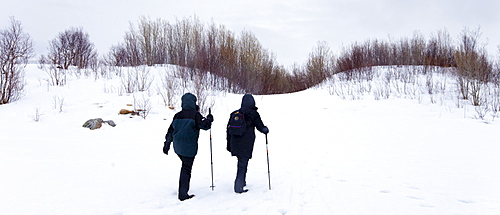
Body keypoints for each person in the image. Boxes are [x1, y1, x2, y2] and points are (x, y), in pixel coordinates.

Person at [163, 93, 213, 201]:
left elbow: (170, 131)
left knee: (185, 166)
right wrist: (209, 119)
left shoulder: (177, 115)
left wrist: (167, 144)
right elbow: (205, 126)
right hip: (189, 148)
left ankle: (183, 191)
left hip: (178, 147)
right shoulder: (195, 115)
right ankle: (183, 194)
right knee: (186, 169)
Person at [226, 94, 268, 193]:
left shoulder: (234, 114)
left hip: (235, 142)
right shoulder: (253, 113)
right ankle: (238, 187)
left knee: (241, 162)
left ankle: (242, 182)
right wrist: (265, 130)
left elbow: (228, 130)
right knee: (243, 163)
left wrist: (229, 145)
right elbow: (260, 127)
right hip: (246, 143)